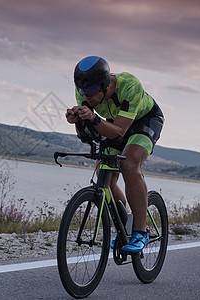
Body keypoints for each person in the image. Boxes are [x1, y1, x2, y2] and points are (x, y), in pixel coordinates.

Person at [65, 56, 164, 253]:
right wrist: (76, 119)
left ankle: (140, 231)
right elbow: (86, 134)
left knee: (129, 163)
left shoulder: (130, 85)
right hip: (114, 123)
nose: (87, 96)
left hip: (145, 121)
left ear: (104, 84)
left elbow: (119, 131)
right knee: (106, 176)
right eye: (82, 91)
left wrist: (92, 118)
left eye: (92, 91)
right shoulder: (85, 93)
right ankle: (123, 225)